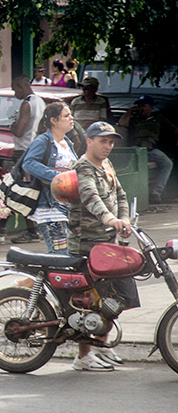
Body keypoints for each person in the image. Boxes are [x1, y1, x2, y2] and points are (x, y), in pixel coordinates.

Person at [68, 121, 137, 371]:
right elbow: (90, 196)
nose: (108, 146)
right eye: (103, 141)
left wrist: (125, 219)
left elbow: (120, 195)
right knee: (91, 302)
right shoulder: (83, 167)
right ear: (89, 141)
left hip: (107, 243)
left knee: (116, 297)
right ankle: (83, 356)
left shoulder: (106, 165)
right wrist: (109, 218)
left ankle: (99, 346)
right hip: (86, 244)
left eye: (110, 142)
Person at [21, 102, 78, 254]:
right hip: (49, 209)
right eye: (66, 116)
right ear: (54, 120)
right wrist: (58, 177)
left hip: (66, 208)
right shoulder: (43, 141)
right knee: (60, 254)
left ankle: (35, 278)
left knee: (68, 254)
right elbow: (29, 163)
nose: (71, 118)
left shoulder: (68, 143)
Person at [117, 95, 178, 204]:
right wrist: (130, 111)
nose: (141, 108)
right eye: (139, 106)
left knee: (167, 163)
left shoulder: (158, 118)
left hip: (150, 150)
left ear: (151, 107)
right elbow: (122, 124)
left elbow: (174, 130)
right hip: (135, 149)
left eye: (143, 106)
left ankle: (155, 193)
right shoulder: (135, 119)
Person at [7, 76, 46, 243]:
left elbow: (19, 131)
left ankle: (31, 231)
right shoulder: (41, 102)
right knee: (36, 189)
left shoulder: (26, 104)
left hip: (24, 151)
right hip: (38, 149)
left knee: (25, 190)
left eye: (15, 89)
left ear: (22, 86)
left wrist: (12, 126)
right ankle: (37, 228)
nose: (15, 92)